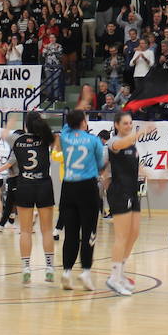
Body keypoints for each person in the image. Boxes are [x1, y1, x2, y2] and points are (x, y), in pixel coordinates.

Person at [0, 112, 58, 283]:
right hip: (43, 185)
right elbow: (59, 145)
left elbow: (3, 134)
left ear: (26, 125)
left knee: (25, 231)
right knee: (47, 230)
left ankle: (26, 267)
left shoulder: (16, 139)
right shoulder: (46, 138)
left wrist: (10, 121)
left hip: (24, 185)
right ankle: (49, 267)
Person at [105, 112, 155, 295]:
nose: (128, 126)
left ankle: (120, 272)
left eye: (130, 123)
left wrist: (148, 173)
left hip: (132, 191)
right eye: (125, 123)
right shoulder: (114, 142)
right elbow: (120, 145)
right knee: (121, 236)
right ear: (117, 125)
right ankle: (114, 277)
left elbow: (134, 164)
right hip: (119, 192)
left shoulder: (132, 145)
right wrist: (141, 132)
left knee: (134, 234)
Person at [58, 106, 108, 291]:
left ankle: (66, 272)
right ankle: (86, 271)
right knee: (89, 232)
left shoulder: (65, 137)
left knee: (70, 233)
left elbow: (65, 127)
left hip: (68, 188)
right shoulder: (93, 140)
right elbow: (101, 165)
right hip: (87, 187)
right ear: (82, 122)